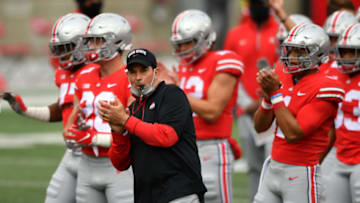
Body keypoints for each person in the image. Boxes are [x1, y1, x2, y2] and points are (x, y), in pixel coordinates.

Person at [2, 13, 94, 203]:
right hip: (73, 153)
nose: (60, 55)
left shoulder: (99, 72)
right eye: (58, 49)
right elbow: (64, 110)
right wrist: (25, 110)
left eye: (66, 48)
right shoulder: (64, 74)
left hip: (99, 154)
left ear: (83, 45)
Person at [98, 48, 207, 203]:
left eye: (144, 71)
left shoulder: (172, 94)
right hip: (147, 196)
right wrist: (117, 131)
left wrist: (125, 121)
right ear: (127, 75)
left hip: (179, 192)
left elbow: (166, 136)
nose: (138, 78)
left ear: (155, 72)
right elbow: (120, 163)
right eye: (133, 72)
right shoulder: (133, 109)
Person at [253, 23, 345, 203]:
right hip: (274, 167)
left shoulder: (326, 86)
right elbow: (259, 126)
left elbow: (294, 133)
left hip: (301, 172)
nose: (293, 57)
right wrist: (266, 98)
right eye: (291, 51)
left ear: (318, 55)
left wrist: (275, 95)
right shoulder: (281, 73)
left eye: (300, 52)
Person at [166, 9, 243, 203]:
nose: (182, 48)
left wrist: (177, 92)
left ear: (204, 38)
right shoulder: (183, 65)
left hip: (211, 147)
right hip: (182, 146)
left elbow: (212, 111)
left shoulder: (223, 61)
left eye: (187, 42)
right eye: (179, 43)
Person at [63, 13, 134, 203]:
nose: (90, 47)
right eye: (89, 41)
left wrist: (93, 138)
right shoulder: (84, 74)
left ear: (118, 42)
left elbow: (135, 132)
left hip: (120, 167)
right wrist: (72, 134)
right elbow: (70, 126)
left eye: (97, 41)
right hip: (86, 165)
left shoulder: (132, 77)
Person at [224, 0, 279, 200]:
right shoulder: (235, 34)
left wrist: (266, 98)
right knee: (254, 167)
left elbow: (284, 68)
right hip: (245, 109)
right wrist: (244, 103)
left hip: (274, 108)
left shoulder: (280, 31)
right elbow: (229, 72)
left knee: (273, 165)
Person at [324, 23, 360, 203]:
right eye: (343, 51)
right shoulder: (334, 73)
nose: (345, 57)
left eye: (351, 52)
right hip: (340, 156)